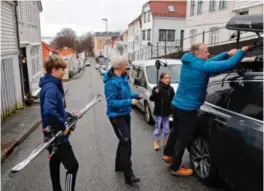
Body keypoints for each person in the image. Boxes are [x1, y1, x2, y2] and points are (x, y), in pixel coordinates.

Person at [162, 43, 249, 176]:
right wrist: (241, 51)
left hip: (177, 104)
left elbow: (210, 61)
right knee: (183, 138)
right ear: (197, 54)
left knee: (175, 131)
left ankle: (168, 154)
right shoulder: (202, 66)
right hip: (188, 109)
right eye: (206, 52)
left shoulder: (189, 60)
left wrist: (226, 53)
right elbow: (229, 64)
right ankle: (176, 167)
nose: (208, 54)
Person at [39, 55, 79, 191]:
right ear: (54, 70)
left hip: (51, 133)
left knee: (54, 163)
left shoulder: (52, 85)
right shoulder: (51, 87)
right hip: (57, 134)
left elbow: (55, 108)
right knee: (73, 166)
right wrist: (63, 125)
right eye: (62, 69)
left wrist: (67, 115)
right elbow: (49, 111)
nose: (64, 72)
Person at [103, 55, 142, 185]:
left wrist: (136, 96)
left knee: (124, 140)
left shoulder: (122, 78)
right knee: (126, 143)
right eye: (126, 64)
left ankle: (119, 166)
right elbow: (112, 102)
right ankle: (128, 175)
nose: (128, 66)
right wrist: (130, 101)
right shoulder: (111, 83)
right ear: (120, 67)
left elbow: (125, 94)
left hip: (125, 113)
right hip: (116, 116)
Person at [150, 72, 175, 151]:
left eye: (169, 78)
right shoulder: (157, 88)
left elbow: (173, 99)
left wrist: (172, 109)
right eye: (166, 78)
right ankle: (156, 143)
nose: (168, 80)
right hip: (159, 111)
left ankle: (165, 142)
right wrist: (155, 93)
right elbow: (151, 98)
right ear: (161, 79)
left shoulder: (170, 89)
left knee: (166, 128)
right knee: (157, 128)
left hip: (167, 112)